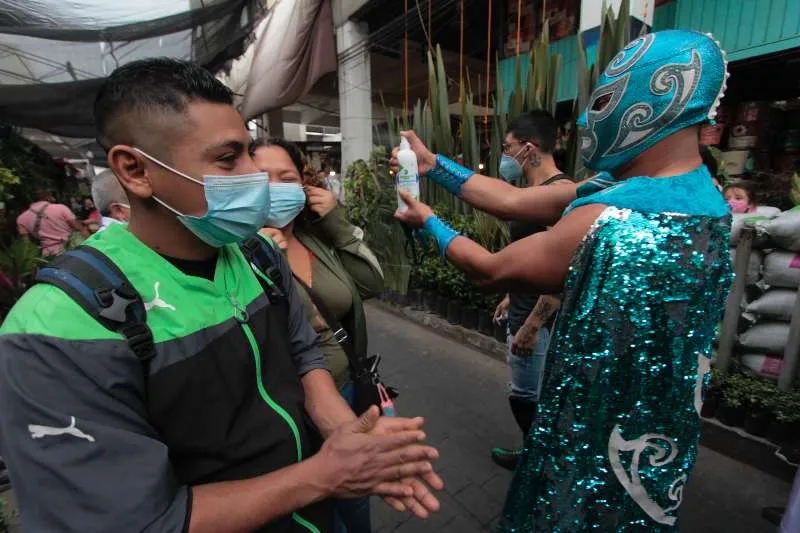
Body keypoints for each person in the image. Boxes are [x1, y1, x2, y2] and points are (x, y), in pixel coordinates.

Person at [0, 58, 442, 533]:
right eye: (229, 158)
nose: (257, 176)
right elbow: (133, 522)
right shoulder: (55, 330)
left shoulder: (256, 254)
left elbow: (303, 350)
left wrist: (343, 431)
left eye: (250, 152)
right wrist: (325, 474)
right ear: (135, 170)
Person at [393, 30, 732, 531]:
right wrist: (433, 165)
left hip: (595, 427)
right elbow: (512, 201)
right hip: (661, 431)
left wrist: (427, 223)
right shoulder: (703, 198)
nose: (590, 117)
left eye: (605, 99)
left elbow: (491, 269)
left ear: (649, 102)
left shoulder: (618, 216)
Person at [253, 138, 385, 533]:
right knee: (316, 508)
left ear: (304, 186)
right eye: (261, 178)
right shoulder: (231, 253)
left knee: (356, 498)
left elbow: (372, 283)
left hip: (346, 389)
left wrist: (336, 223)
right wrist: (254, 256)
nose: (275, 187)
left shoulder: (315, 241)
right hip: (288, 411)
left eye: (286, 177)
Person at [488, 111, 571, 470]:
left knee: (528, 396)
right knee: (532, 394)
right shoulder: (533, 194)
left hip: (541, 319)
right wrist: (511, 292)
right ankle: (537, 457)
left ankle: (539, 464)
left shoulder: (559, 196)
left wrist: (534, 324)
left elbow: (564, 270)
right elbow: (534, 256)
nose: (504, 156)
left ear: (529, 149)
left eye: (508, 148)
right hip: (523, 308)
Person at [16, 188, 86, 256]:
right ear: (48, 197)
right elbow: (80, 228)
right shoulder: (60, 208)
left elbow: (27, 244)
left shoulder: (21, 219)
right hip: (73, 249)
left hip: (49, 255)